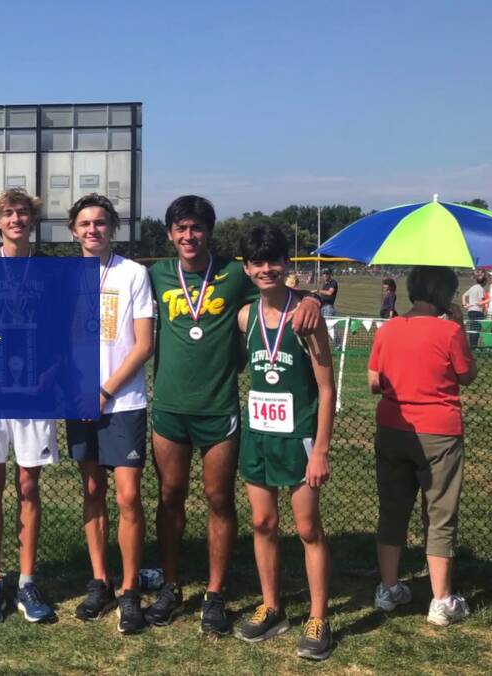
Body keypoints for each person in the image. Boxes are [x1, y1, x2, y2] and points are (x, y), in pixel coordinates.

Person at [146, 195, 322, 635]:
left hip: (219, 406)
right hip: (168, 406)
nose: (189, 236)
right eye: (181, 229)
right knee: (169, 498)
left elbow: (277, 289)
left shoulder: (231, 273)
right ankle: (170, 585)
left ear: (209, 232)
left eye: (197, 228)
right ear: (170, 234)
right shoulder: (156, 274)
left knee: (219, 499)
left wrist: (313, 298)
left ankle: (216, 593)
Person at [233, 225, 335, 660]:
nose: (266, 268)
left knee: (308, 528)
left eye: (274, 260)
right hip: (258, 436)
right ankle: (272, 606)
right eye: (258, 262)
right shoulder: (244, 316)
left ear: (287, 265)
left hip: (299, 437)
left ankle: (318, 616)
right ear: (247, 267)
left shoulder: (306, 318)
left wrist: (323, 450)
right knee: (263, 524)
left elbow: (327, 390)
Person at [0, 188, 59, 624]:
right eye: (9, 213)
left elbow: (67, 328)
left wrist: (51, 371)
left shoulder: (49, 269)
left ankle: (26, 580)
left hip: (35, 392)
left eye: (23, 213)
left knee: (28, 485)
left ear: (32, 221)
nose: (17, 219)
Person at [368, 265, 476, 627]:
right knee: (440, 514)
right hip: (439, 432)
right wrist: (457, 327)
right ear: (444, 295)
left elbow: (373, 382)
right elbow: (467, 376)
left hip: (393, 426)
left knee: (393, 509)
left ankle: (388, 588)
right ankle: (442, 600)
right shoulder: (449, 332)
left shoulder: (389, 328)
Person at [65, 194, 154, 634]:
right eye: (84, 223)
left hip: (123, 402)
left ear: (112, 228)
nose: (92, 229)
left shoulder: (133, 273)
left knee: (128, 497)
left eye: (100, 222)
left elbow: (143, 344)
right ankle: (99, 581)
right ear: (73, 230)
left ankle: (131, 589)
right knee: (92, 489)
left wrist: (104, 391)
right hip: (79, 402)